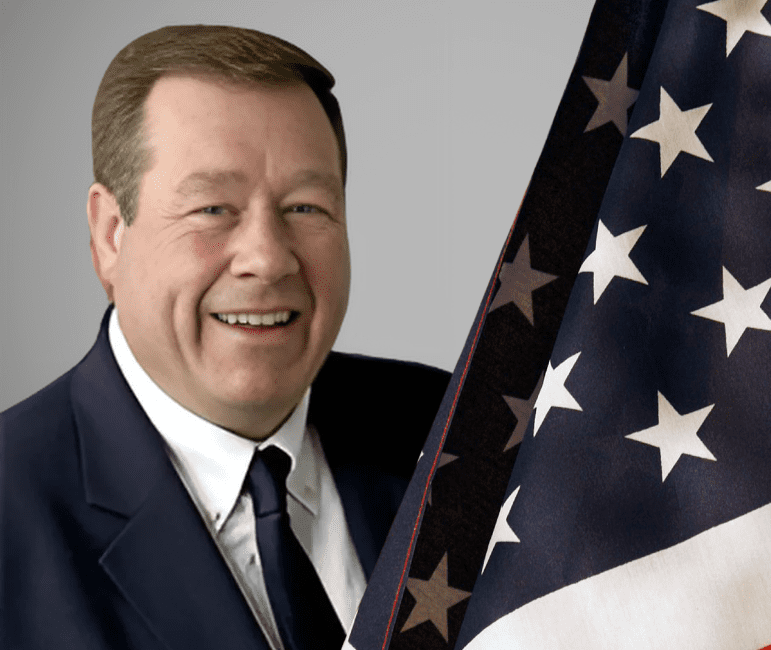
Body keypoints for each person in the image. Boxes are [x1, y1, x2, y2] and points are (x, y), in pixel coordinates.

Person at [0, 25, 450, 650]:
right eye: (213, 208)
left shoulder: (465, 431)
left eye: (305, 208)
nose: (268, 259)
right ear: (110, 235)